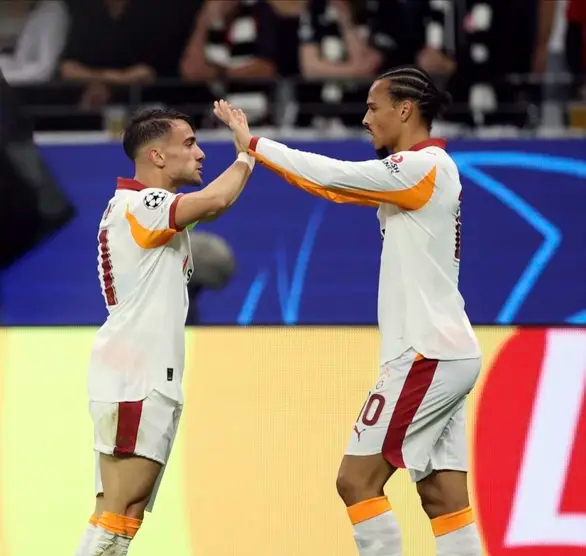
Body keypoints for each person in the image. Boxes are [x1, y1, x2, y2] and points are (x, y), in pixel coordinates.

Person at [214, 65, 483, 556]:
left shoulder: (423, 167)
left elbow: (335, 177)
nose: (365, 119)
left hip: (426, 353)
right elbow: (337, 188)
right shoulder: (428, 171)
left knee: (356, 480)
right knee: (443, 499)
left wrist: (254, 145)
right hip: (445, 350)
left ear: (405, 110)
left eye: (373, 108)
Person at [74, 106, 255, 556]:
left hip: (142, 376)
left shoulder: (140, 209)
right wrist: (247, 152)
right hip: (138, 378)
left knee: (121, 514)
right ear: (156, 155)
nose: (200, 154)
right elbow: (215, 201)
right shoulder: (142, 205)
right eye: (189, 143)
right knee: (118, 515)